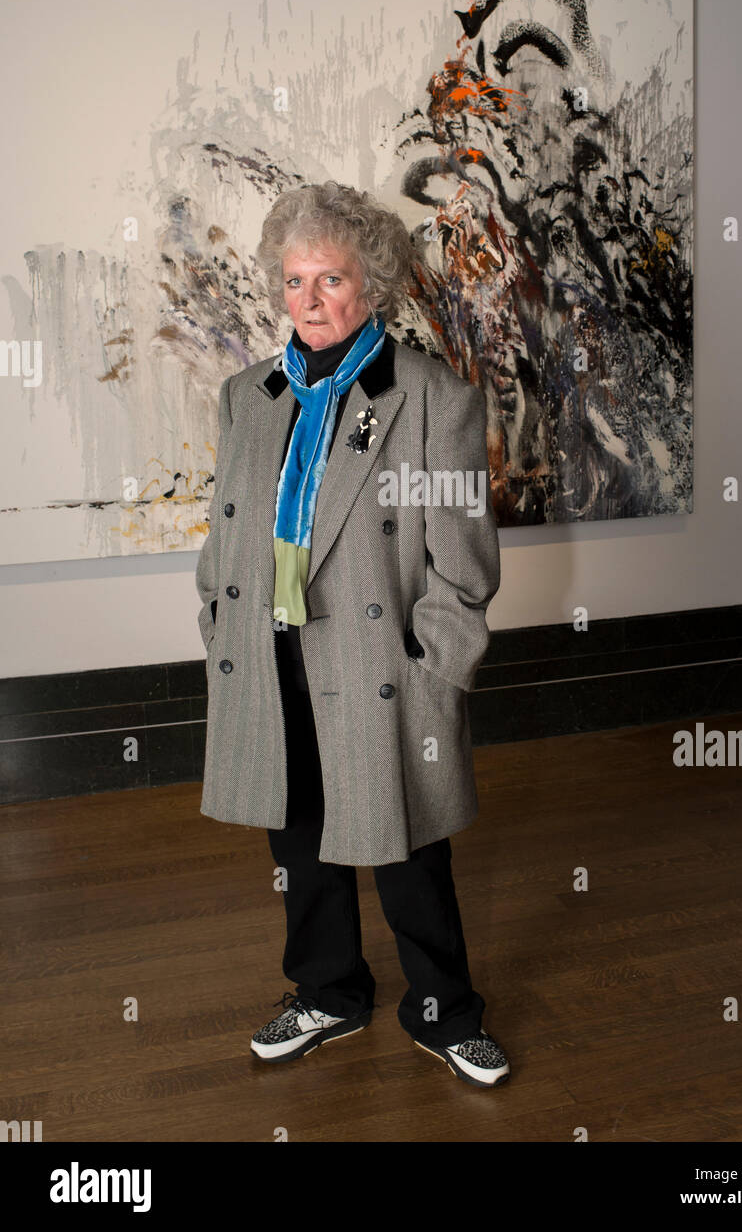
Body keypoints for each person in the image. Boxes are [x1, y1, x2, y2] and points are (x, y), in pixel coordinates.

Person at [195, 180, 508, 1088]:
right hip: (271, 649)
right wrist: (219, 616)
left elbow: (464, 565)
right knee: (297, 841)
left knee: (405, 845)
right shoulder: (247, 397)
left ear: (369, 285)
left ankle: (446, 1012)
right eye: (294, 282)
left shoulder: (427, 400)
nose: (310, 302)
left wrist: (432, 671)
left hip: (378, 665)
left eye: (329, 280)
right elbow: (226, 535)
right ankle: (326, 991)